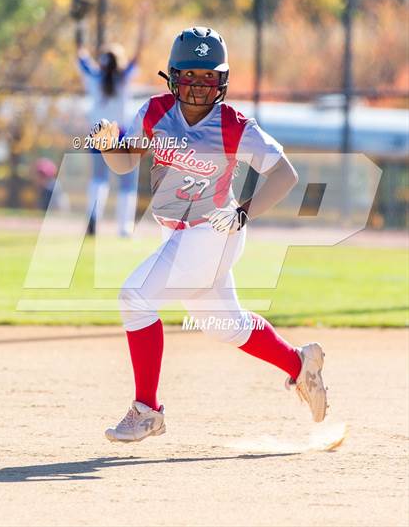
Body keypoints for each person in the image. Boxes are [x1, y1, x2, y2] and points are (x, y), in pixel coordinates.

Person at [90, 27, 328, 443]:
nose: (198, 85)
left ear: (222, 82)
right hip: (181, 236)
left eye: (208, 76)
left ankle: (147, 410)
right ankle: (299, 365)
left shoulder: (235, 125)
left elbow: (284, 174)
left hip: (213, 231)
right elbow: (126, 166)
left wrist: (244, 212)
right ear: (173, 77)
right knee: (225, 325)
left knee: (136, 296)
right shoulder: (154, 112)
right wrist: (111, 147)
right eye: (190, 75)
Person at [77, 23, 145, 236]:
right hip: (120, 133)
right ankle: (125, 227)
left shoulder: (94, 77)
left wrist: (79, 25)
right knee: (127, 181)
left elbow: (81, 56)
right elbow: (137, 56)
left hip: (98, 133)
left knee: (98, 178)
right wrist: (142, 23)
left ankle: (93, 218)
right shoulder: (123, 78)